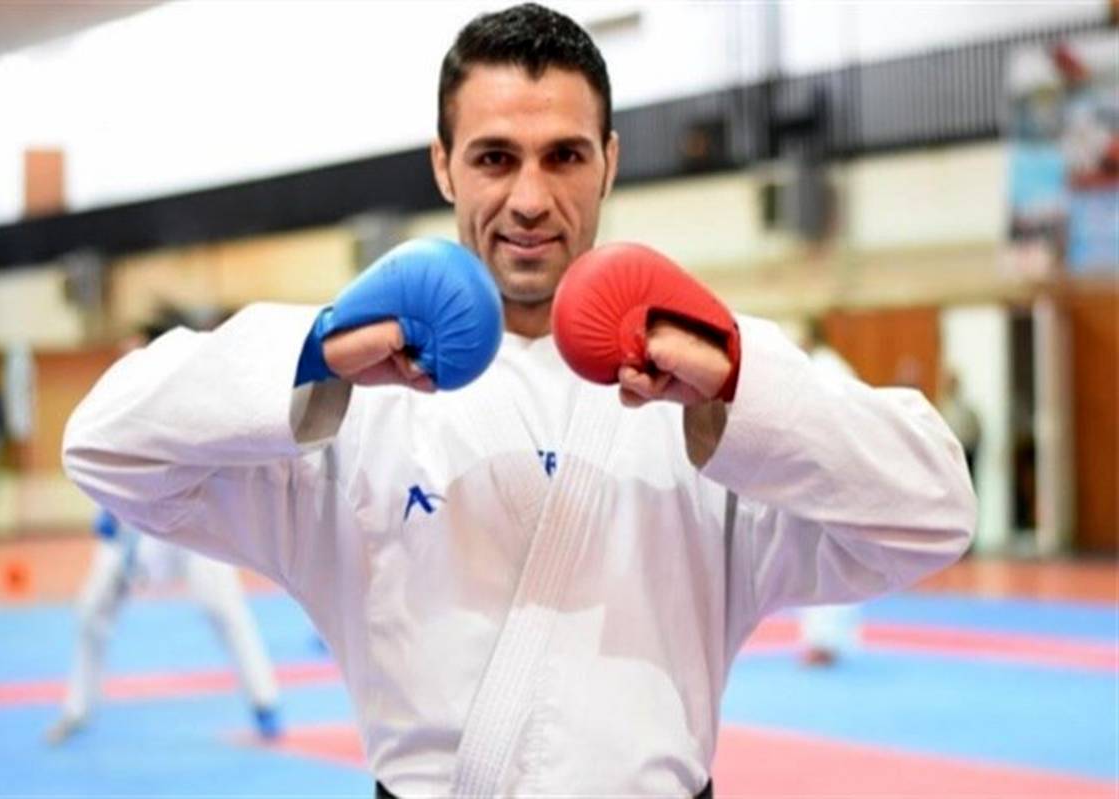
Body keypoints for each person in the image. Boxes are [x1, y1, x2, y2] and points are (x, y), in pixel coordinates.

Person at [63, 5, 975, 795]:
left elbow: (935, 512)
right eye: (495, 157)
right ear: (444, 166)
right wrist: (312, 349)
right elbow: (103, 445)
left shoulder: (711, 393)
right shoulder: (351, 405)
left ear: (609, 162)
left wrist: (741, 378)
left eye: (564, 156)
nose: (530, 199)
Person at [48, 326, 282, 746]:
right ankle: (77, 709)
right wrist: (107, 515)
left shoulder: (182, 400)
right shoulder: (111, 407)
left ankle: (265, 703)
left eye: (133, 354)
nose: (125, 363)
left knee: (225, 609)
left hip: (193, 524)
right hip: (133, 528)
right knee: (91, 608)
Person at [795, 318, 864, 667]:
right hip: (844, 473)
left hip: (826, 474)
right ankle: (831, 639)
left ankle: (824, 641)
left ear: (811, 337)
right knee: (838, 558)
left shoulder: (818, 369)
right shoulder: (839, 367)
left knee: (820, 558)